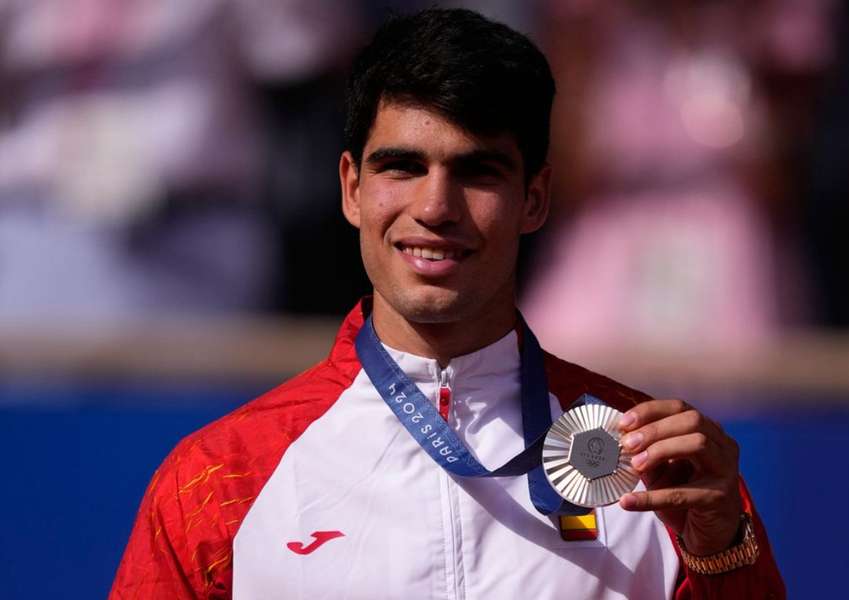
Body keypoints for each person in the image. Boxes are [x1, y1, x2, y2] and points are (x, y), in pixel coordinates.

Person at [111, 8, 785, 599]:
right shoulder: (219, 478)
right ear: (351, 189)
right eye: (402, 167)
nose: (435, 207)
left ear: (535, 199)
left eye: (477, 171)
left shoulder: (658, 468)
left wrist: (722, 550)